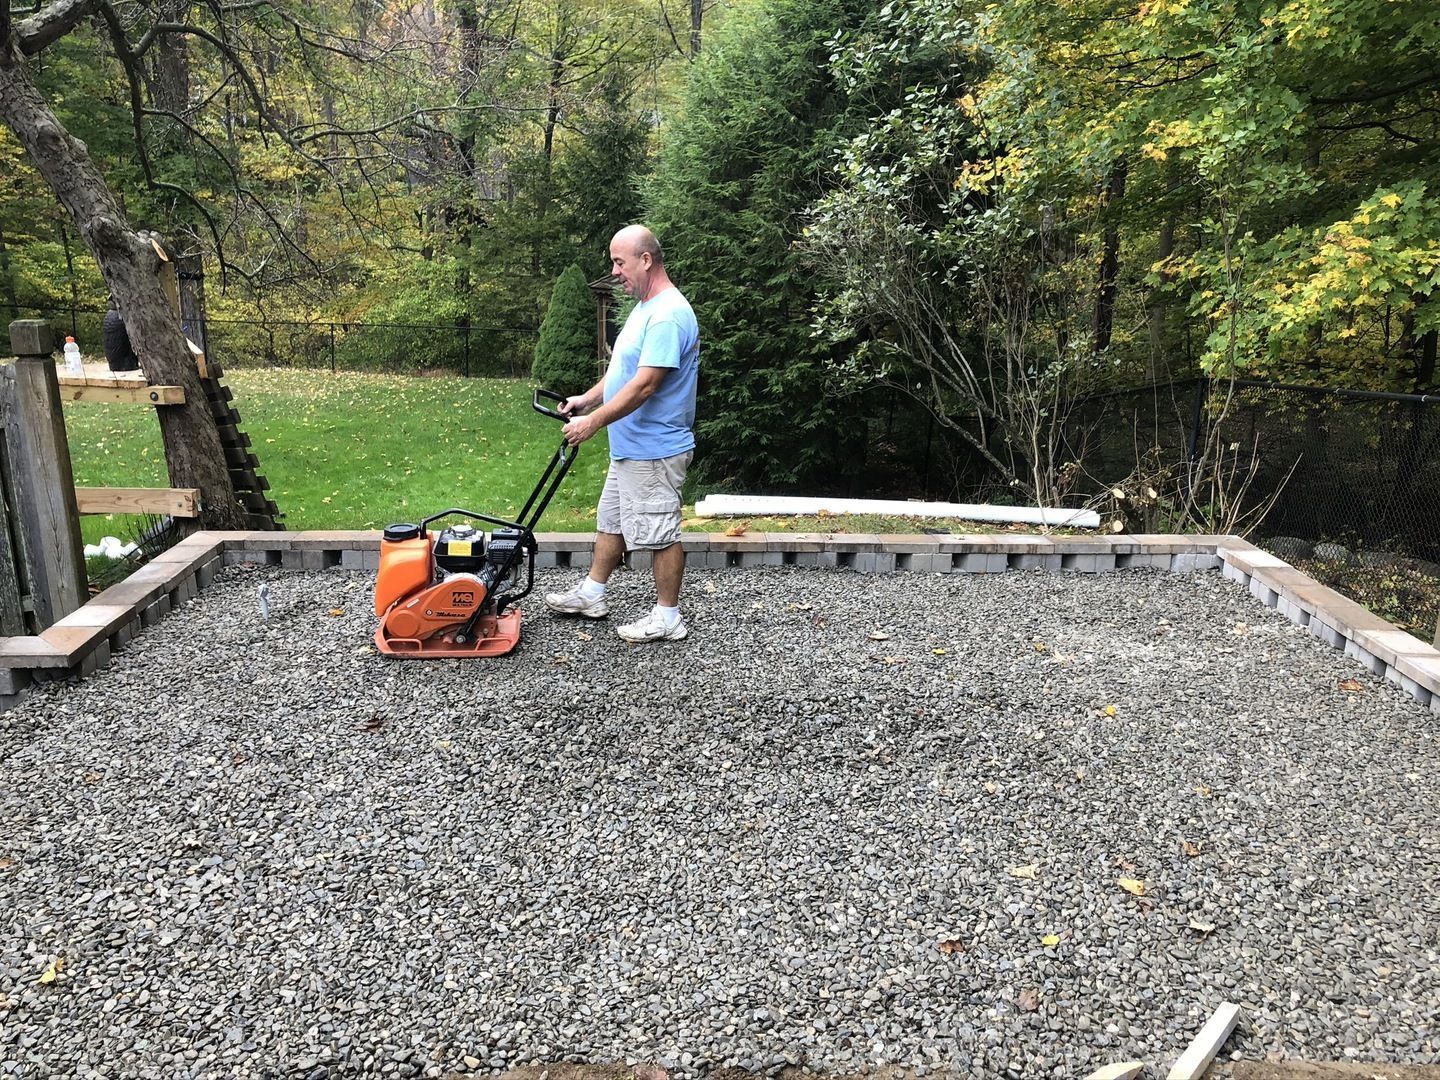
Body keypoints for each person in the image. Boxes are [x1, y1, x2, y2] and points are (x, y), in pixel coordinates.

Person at [543, 224, 700, 643]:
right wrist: (587, 400)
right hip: (631, 448)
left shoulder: (668, 315)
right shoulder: (644, 308)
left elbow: (646, 385)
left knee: (660, 532)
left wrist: (593, 423)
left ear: (645, 260)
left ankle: (668, 617)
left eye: (619, 262)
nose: (615, 272)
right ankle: (593, 594)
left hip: (655, 449)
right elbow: (621, 374)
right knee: (611, 522)